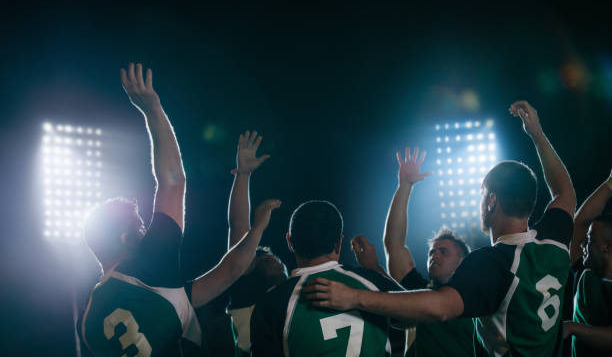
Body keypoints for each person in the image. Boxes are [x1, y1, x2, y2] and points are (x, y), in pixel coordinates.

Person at [304, 101, 576, 357]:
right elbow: (564, 192)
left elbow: (441, 307)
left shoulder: (492, 265)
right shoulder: (553, 242)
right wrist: (537, 135)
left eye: (482, 194)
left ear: (491, 200)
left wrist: (354, 296)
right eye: (433, 250)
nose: (435, 255)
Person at [79, 63, 280, 356]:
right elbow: (173, 181)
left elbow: (230, 271)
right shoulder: (148, 264)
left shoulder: (87, 319)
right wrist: (152, 111)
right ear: (125, 238)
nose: (147, 231)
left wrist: (245, 183)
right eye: (140, 226)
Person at [352, 146, 473, 357]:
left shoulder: (476, 297)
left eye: (443, 251)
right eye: (431, 252)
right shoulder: (420, 291)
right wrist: (405, 186)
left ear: (462, 261)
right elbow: (394, 245)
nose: (434, 255)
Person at [250, 200, 403, 357]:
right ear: (339, 243)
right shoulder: (371, 281)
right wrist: (376, 269)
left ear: (289, 242)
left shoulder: (271, 303)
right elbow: (413, 316)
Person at [225, 131, 288, 356]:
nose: (272, 258)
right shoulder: (246, 291)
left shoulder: (294, 296)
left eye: (275, 258)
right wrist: (244, 174)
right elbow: (239, 225)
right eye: (262, 257)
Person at [563, 170, 612, 356]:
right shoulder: (586, 273)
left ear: (606, 248)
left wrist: (573, 328)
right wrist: (610, 184)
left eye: (590, 239)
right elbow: (579, 225)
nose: (583, 244)